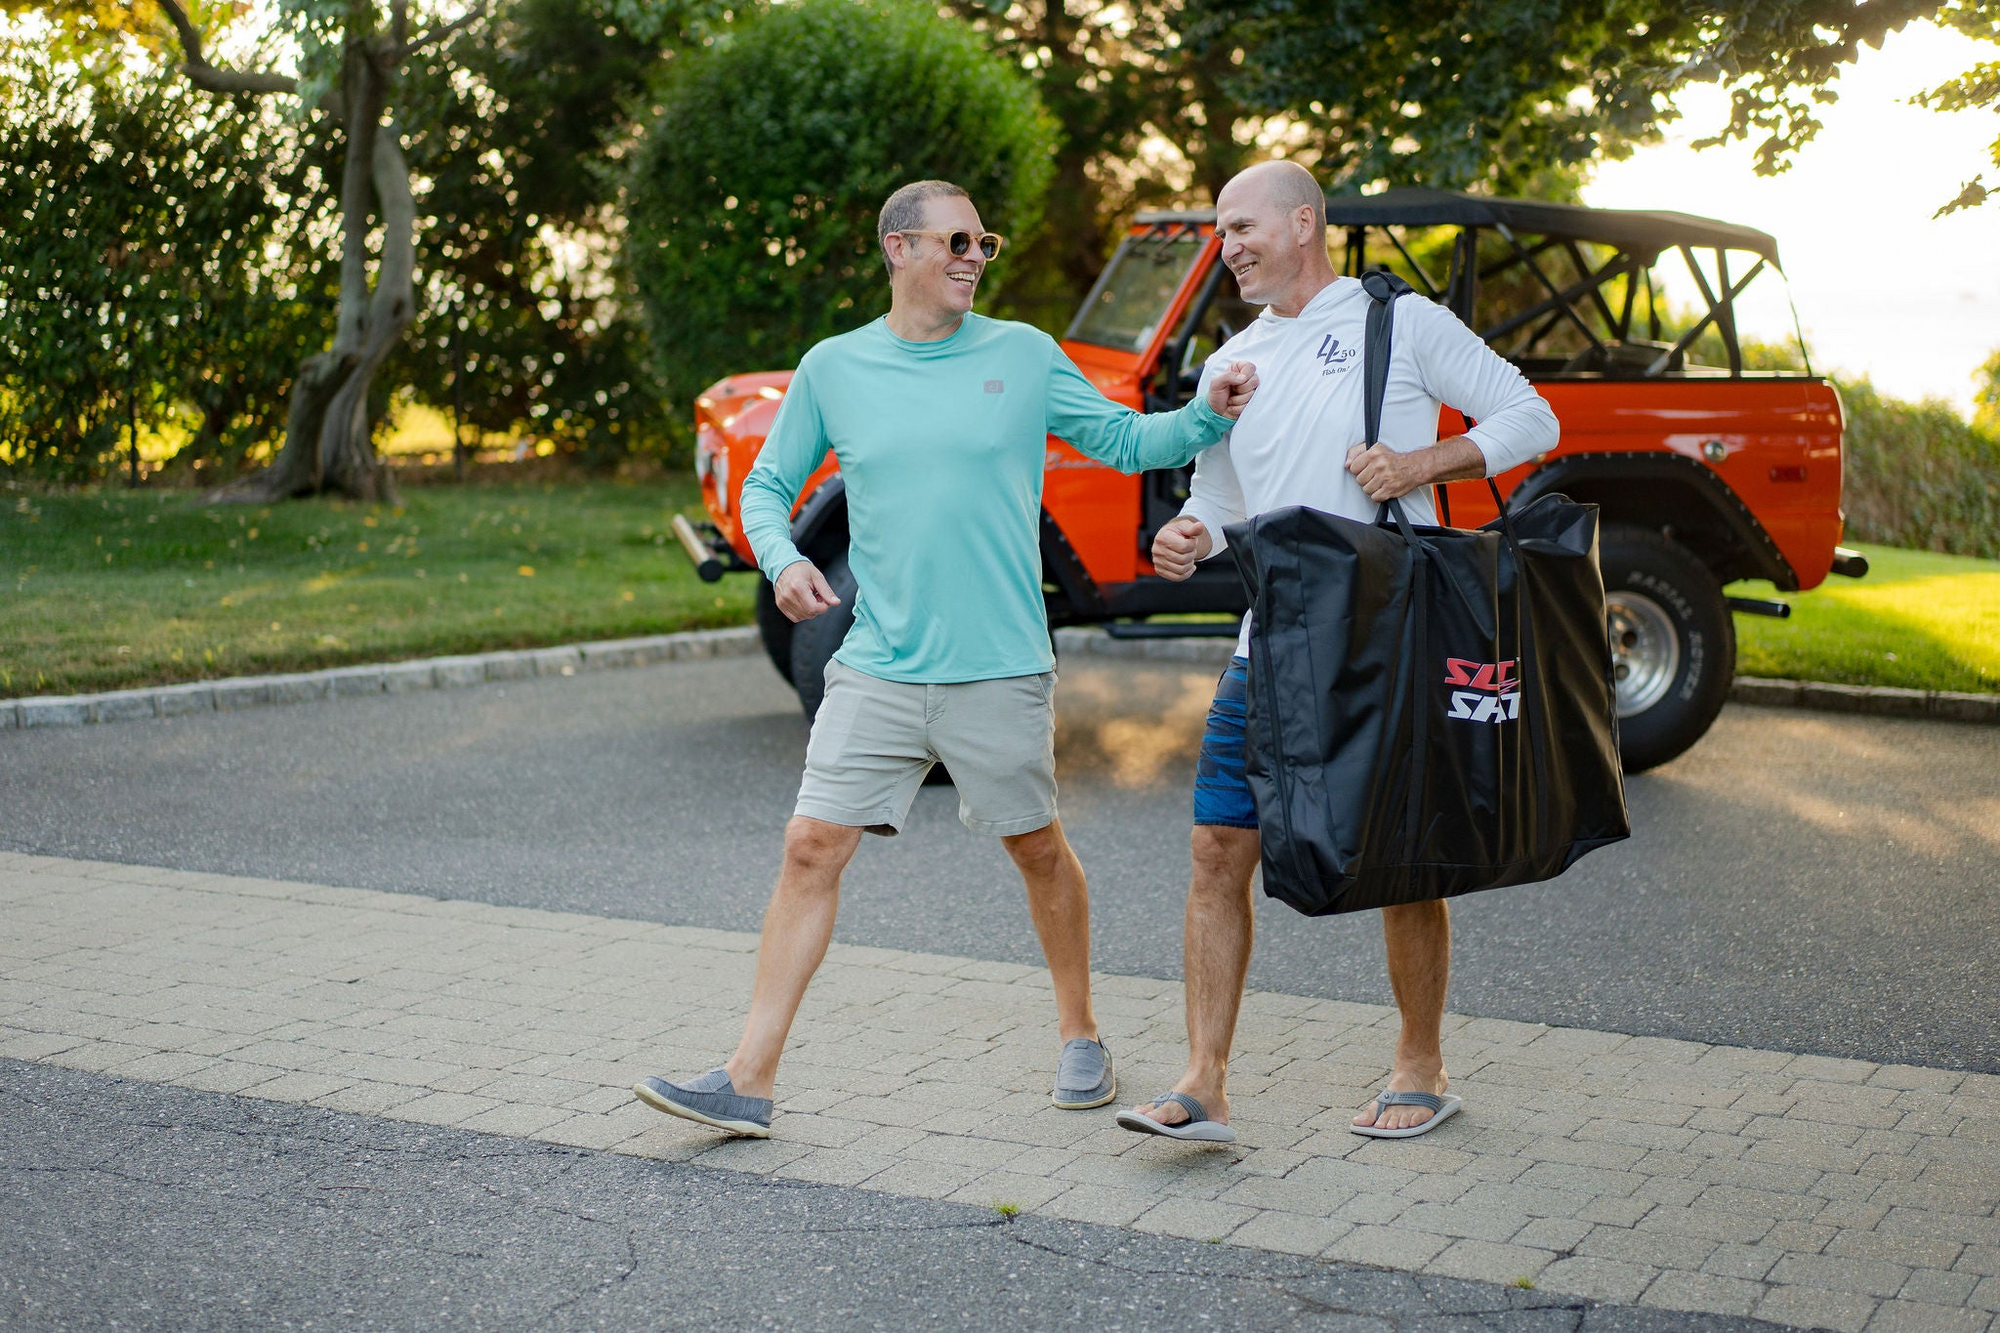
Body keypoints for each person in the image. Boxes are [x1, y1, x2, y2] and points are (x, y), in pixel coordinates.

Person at [633, 179, 1260, 1138]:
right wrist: (787, 557)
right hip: (878, 664)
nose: (974, 256)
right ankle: (747, 1077)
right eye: (957, 240)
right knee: (810, 847)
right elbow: (765, 484)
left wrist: (1208, 410)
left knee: (1036, 848)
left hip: (1000, 666)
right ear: (898, 248)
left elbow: (1132, 441)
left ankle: (1081, 1029)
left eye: (984, 243)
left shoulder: (1021, 353)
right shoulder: (836, 367)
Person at [1115, 160, 1559, 1144]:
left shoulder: (1397, 324)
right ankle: (1203, 1080)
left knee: (1402, 858)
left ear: (1303, 221)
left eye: (1242, 225)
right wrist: (1187, 535)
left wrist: (1419, 463)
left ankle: (1419, 1063)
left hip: (1383, 639)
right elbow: (1220, 499)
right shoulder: (1232, 360)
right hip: (1264, 640)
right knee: (1215, 846)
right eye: (1219, 231)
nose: (1226, 245)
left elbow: (1532, 415)